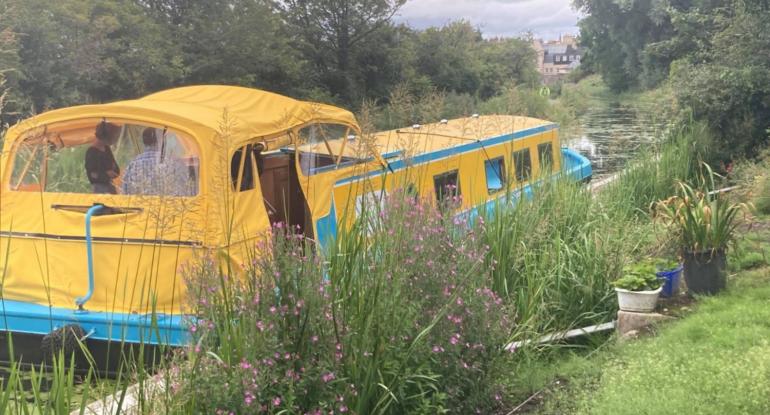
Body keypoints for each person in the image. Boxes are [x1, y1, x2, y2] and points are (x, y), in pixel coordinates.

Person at [122, 128, 189, 196]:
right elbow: (184, 192)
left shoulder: (132, 165)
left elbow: (125, 193)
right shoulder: (174, 163)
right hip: (166, 206)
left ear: (144, 142)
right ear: (162, 141)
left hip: (140, 206)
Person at [85, 121, 121, 194]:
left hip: (110, 186)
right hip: (99, 190)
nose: (114, 139)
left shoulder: (107, 149)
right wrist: (106, 174)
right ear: (106, 136)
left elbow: (116, 169)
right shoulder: (91, 152)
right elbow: (92, 175)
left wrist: (111, 172)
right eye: (113, 136)